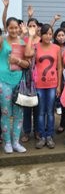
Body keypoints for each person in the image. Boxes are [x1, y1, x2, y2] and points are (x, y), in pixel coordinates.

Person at [25, 24, 62, 149]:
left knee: (50, 112)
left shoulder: (56, 48)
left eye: (50, 33)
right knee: (40, 112)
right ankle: (41, 136)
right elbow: (27, 53)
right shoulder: (36, 47)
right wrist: (30, 36)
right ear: (41, 35)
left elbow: (60, 67)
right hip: (39, 85)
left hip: (52, 84)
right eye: (45, 33)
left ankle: (49, 136)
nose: (48, 36)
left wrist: (59, 85)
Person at [0, 17, 31, 153]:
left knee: (19, 114)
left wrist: (17, 60)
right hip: (4, 81)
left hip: (19, 83)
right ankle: (7, 142)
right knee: (6, 113)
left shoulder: (23, 43)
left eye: (15, 27)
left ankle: (16, 142)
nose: (13, 30)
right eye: (10, 27)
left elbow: (27, 64)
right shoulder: (2, 41)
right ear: (7, 28)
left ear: (19, 28)